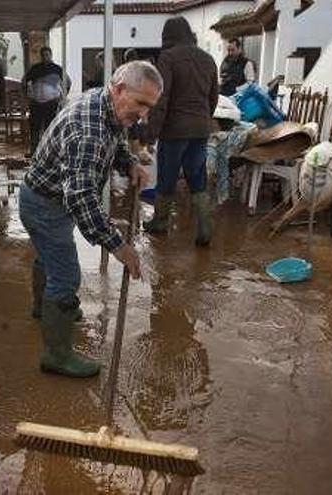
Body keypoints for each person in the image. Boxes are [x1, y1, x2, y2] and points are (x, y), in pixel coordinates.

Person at [20, 61, 162, 378]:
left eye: (149, 107)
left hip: (48, 196)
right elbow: (81, 198)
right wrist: (118, 246)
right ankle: (55, 355)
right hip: (45, 204)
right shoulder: (88, 130)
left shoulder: (108, 106)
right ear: (120, 88)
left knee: (50, 255)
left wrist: (129, 164)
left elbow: (116, 140)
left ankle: (44, 308)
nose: (143, 114)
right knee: (66, 275)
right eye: (141, 103)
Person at [142, 16, 219, 246]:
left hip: (174, 131)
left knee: (167, 177)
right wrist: (203, 119)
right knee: (197, 177)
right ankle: (205, 228)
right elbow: (213, 97)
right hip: (200, 129)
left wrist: (151, 133)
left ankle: (160, 222)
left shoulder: (168, 58)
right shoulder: (208, 59)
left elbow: (161, 99)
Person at [22, 46, 70, 157]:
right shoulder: (34, 69)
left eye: (47, 55)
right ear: (41, 56)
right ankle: (34, 152)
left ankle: (49, 153)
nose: (45, 57)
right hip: (36, 104)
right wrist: (27, 97)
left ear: (51, 55)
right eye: (43, 55)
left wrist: (62, 97)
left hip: (51, 103)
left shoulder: (57, 69)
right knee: (34, 129)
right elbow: (24, 82)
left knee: (50, 129)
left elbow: (68, 82)